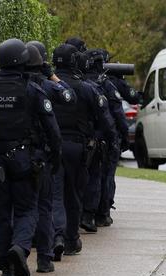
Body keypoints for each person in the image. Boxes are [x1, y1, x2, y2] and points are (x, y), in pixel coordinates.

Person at [0, 38, 61, 276]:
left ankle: (6, 268)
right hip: (25, 160)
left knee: (1, 213)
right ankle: (20, 247)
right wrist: (53, 159)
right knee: (28, 209)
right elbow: (52, 130)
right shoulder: (32, 90)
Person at [52, 43, 115, 255]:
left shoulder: (45, 86)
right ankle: (70, 239)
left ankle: (57, 236)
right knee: (74, 195)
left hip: (52, 148)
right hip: (78, 149)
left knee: (55, 195)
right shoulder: (86, 88)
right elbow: (105, 118)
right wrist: (112, 141)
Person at [24, 44, 75, 272]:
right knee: (47, 202)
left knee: (21, 207)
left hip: (14, 157)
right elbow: (68, 96)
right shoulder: (44, 86)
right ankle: (49, 248)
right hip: (41, 154)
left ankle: (17, 251)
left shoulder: (4, 87)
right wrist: (52, 75)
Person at [83, 49, 127, 229]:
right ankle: (100, 214)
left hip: (83, 138)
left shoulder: (81, 83)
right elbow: (117, 114)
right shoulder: (105, 85)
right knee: (103, 177)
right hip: (103, 139)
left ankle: (85, 214)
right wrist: (120, 137)